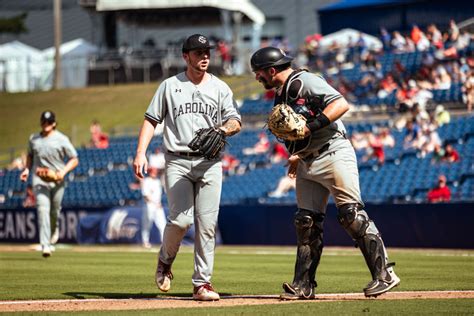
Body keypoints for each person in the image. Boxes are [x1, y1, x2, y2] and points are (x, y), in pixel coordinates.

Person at [250, 46, 400, 299]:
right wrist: (297, 154)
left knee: (351, 216)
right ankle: (303, 285)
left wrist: (310, 127)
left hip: (333, 153)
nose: (257, 77)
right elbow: (297, 130)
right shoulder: (282, 93)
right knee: (306, 223)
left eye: (259, 73)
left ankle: (384, 274)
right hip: (307, 160)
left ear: (271, 70)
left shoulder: (304, 80)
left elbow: (340, 104)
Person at [133, 34, 241, 301]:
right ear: (186, 56)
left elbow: (235, 121)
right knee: (181, 220)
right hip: (178, 159)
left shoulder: (220, 88)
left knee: (206, 223)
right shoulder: (169, 86)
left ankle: (202, 284)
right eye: (198, 52)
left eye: (207, 52)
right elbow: (150, 120)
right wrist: (140, 153)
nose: (204, 56)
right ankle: (165, 260)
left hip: (209, 162)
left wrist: (222, 130)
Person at [19, 111, 79, 257]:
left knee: (54, 211)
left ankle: (53, 231)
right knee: (42, 209)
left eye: (49, 122)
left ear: (53, 123)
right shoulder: (34, 139)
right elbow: (30, 156)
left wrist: (62, 173)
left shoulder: (61, 139)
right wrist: (27, 169)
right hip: (39, 180)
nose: (46, 124)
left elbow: (74, 159)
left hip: (57, 179)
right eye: (44, 122)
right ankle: (45, 244)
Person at [141, 167, 167, 248]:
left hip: (158, 205)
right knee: (147, 224)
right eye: (153, 171)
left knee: (162, 223)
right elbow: (146, 195)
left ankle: (164, 242)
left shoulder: (158, 181)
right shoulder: (146, 181)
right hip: (149, 205)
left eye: (155, 172)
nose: (155, 173)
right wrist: (155, 203)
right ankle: (145, 241)